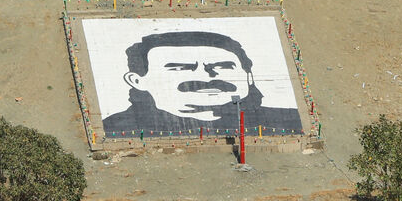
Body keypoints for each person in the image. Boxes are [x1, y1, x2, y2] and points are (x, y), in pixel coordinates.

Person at [101, 31, 302, 136]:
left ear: (249, 76)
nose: (207, 76)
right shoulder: (113, 128)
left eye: (223, 66)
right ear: (137, 81)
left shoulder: (289, 120)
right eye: (180, 67)